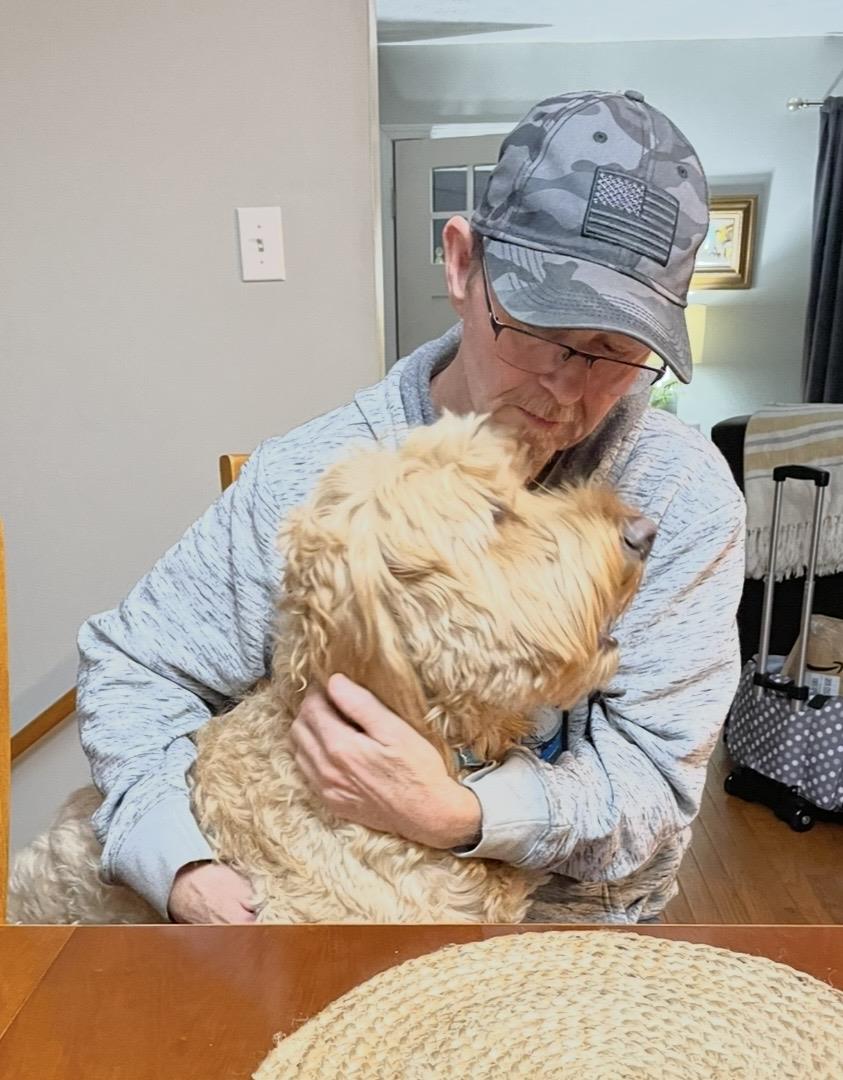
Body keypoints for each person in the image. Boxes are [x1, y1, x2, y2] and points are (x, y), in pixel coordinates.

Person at [77, 89, 745, 924]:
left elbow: (655, 783)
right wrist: (181, 869)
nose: (568, 389)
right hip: (330, 916)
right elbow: (134, 667)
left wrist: (457, 814)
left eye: (615, 353)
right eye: (541, 330)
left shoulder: (679, 493)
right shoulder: (312, 480)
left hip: (579, 932)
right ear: (461, 265)